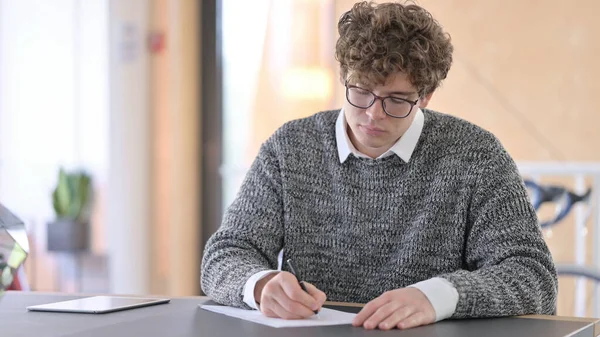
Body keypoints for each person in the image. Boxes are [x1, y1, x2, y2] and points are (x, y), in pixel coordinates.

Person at [201, 0, 557, 331]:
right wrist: (259, 284)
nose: (373, 114)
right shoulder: (289, 148)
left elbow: (531, 275)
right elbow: (226, 254)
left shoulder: (476, 156)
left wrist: (438, 296)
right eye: (361, 91)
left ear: (426, 96)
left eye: (396, 100)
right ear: (344, 77)